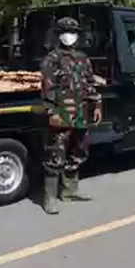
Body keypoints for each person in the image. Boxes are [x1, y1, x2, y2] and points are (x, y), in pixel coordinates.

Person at [40, 17, 103, 215]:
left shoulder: (83, 58)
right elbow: (47, 88)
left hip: (81, 113)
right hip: (62, 113)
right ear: (59, 35)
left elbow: (90, 83)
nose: (69, 35)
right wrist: (51, 111)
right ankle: (50, 198)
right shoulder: (52, 59)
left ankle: (70, 191)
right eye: (65, 31)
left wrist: (97, 104)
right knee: (55, 154)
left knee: (79, 151)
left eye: (73, 31)